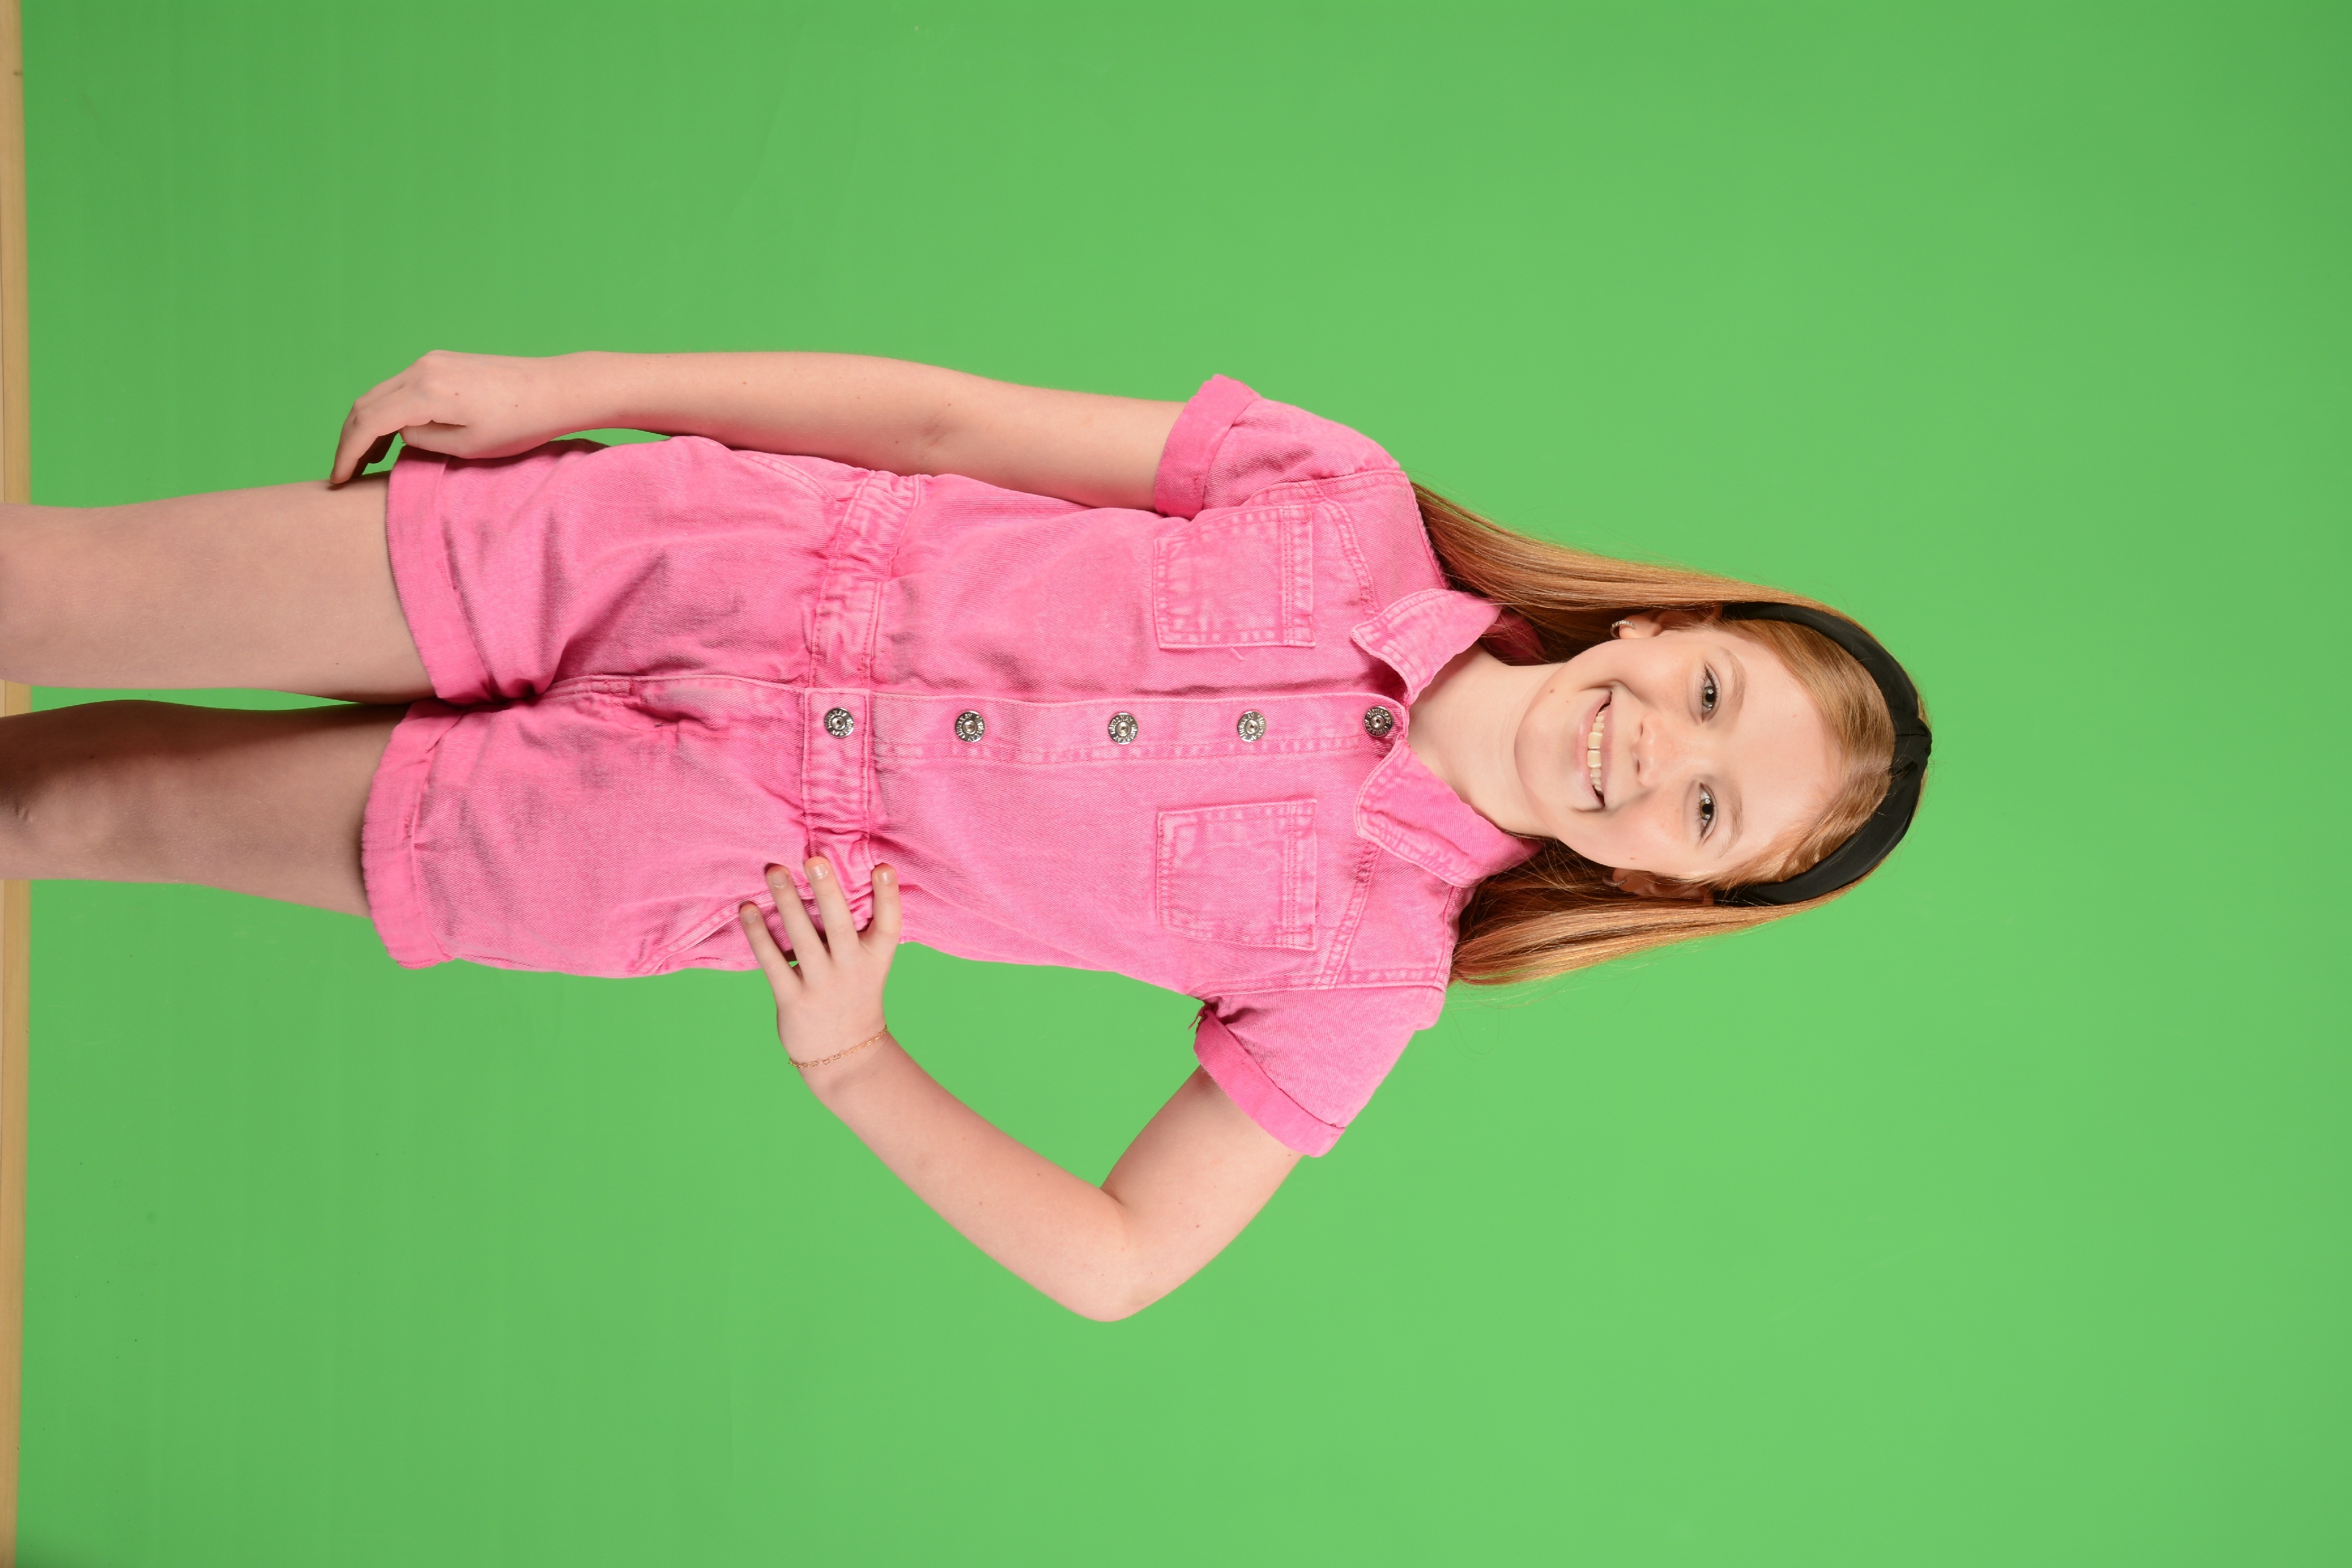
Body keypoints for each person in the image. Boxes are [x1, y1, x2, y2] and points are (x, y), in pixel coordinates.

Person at [0, 351, 1929, 1318]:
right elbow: (934, 425)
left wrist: (853, 1060)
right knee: (45, 596)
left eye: (1706, 809)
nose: (1654, 751)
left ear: (1670, 884)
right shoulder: (1338, 494)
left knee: (75, 806)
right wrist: (569, 388)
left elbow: (1119, 1259)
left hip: (659, 845)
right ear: (1668, 626)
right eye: (1708, 692)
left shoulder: (1365, 970)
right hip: (653, 554)